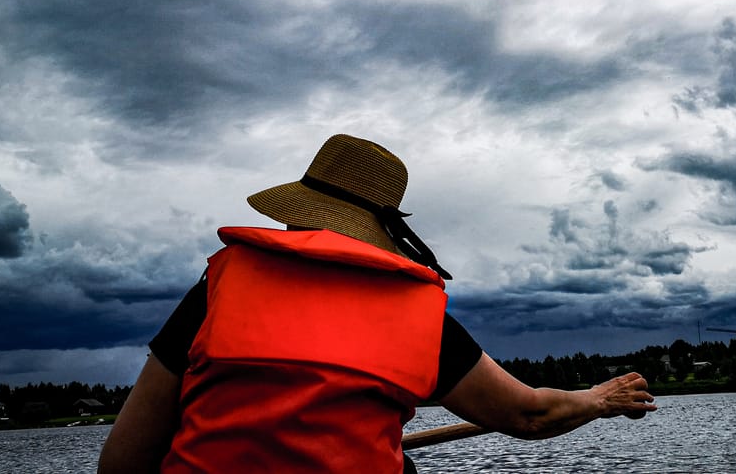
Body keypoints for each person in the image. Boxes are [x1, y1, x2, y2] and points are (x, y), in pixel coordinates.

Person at [98, 134, 657, 473]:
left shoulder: (218, 286)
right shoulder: (414, 313)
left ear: (300, 209)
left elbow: (123, 464)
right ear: (376, 229)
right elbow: (529, 415)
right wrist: (599, 399)